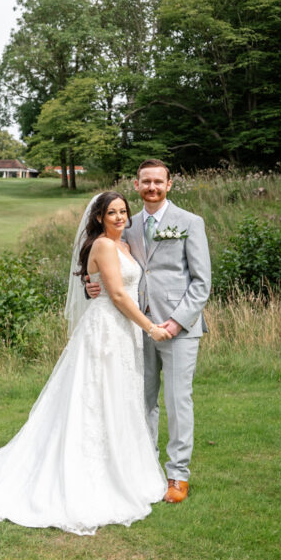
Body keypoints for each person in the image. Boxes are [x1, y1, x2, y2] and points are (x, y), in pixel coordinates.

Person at [0, 192, 169, 535]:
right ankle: (90, 475)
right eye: (112, 213)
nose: (119, 217)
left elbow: (117, 286)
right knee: (95, 399)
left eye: (123, 211)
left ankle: (123, 468)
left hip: (123, 332)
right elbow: (117, 294)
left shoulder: (125, 247)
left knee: (119, 398)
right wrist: (149, 327)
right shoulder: (103, 246)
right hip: (106, 330)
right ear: (100, 217)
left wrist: (123, 310)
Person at [87, 159, 211, 503]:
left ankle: (177, 476)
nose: (152, 187)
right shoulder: (127, 224)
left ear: (169, 184)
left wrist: (175, 321)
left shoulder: (190, 223)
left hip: (178, 328)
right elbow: (106, 261)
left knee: (177, 400)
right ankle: (144, 467)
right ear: (137, 184)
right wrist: (89, 283)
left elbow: (202, 283)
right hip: (136, 327)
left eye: (158, 181)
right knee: (140, 401)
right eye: (146, 182)